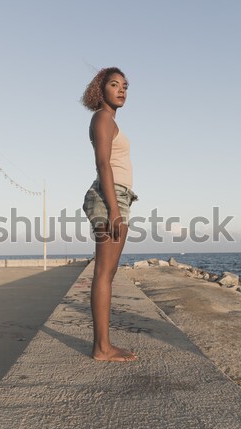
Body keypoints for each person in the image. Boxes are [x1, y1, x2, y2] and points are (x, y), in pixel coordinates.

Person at [81, 67, 139, 362]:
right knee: (104, 273)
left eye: (125, 86)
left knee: (108, 273)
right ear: (100, 90)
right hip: (110, 197)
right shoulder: (102, 117)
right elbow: (103, 164)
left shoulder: (110, 120)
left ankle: (102, 345)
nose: (121, 90)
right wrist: (115, 210)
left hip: (118, 196)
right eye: (114, 84)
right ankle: (102, 348)